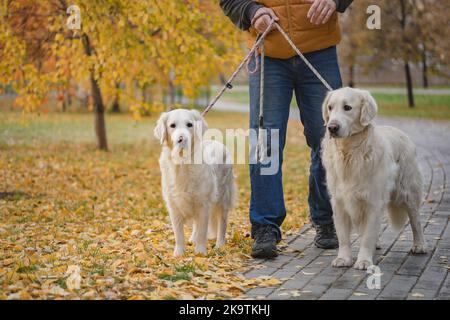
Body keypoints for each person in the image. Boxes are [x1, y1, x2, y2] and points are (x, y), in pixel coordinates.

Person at [220, 0, 353, 258]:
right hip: (268, 54)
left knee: (329, 138)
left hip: (320, 50)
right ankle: (265, 226)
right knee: (265, 142)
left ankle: (326, 219)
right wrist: (251, 12)